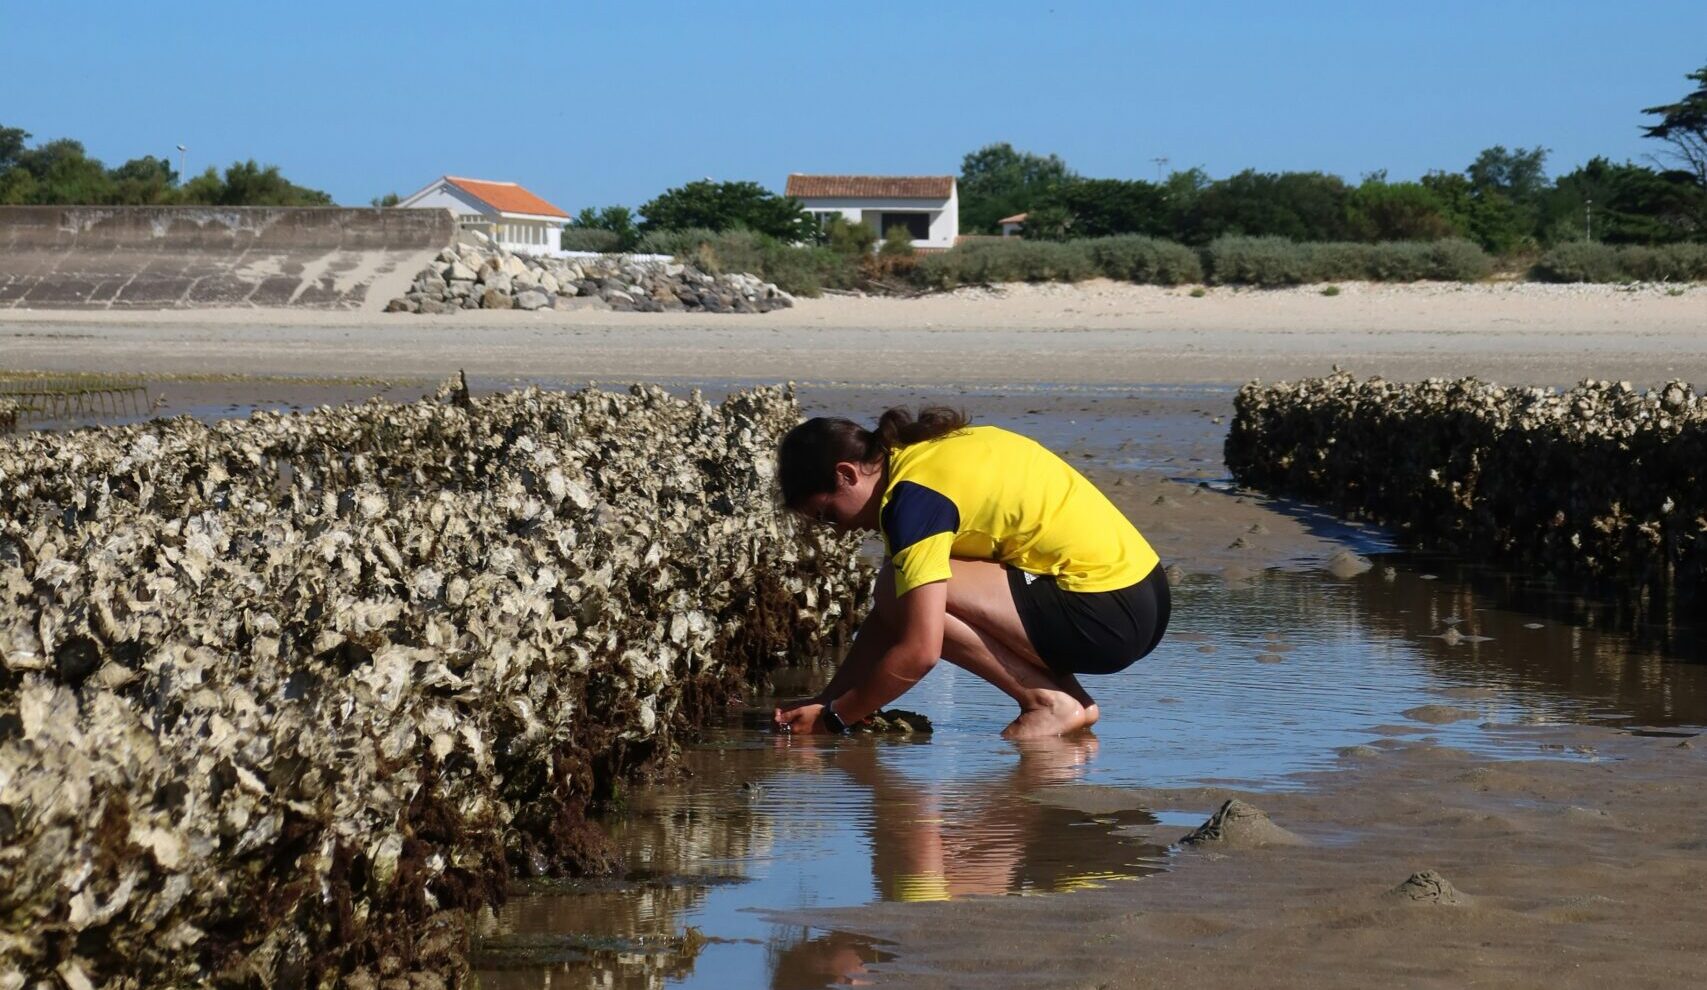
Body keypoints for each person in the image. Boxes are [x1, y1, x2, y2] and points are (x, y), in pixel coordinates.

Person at [773, 406, 1169, 738]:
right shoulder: (924, 451)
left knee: (897, 586)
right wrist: (825, 699)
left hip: (1108, 617)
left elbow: (919, 652)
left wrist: (835, 719)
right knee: (899, 590)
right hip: (1147, 591)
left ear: (847, 474)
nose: (841, 530)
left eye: (828, 515)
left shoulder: (913, 502)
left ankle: (1047, 702)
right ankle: (1069, 702)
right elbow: (887, 618)